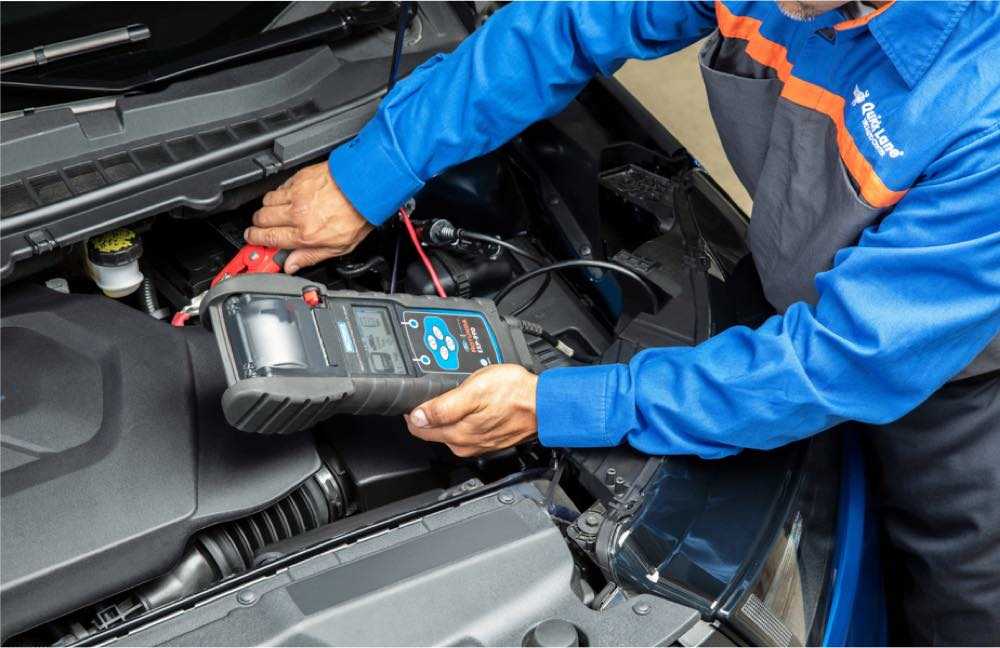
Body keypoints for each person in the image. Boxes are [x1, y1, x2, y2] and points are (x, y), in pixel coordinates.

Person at [244, 2, 999, 642]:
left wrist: (558, 403)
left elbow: (837, 363)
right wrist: (370, 172)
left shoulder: (982, 100)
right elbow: (569, 21)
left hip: (955, 376)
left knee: (965, 609)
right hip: (784, 286)